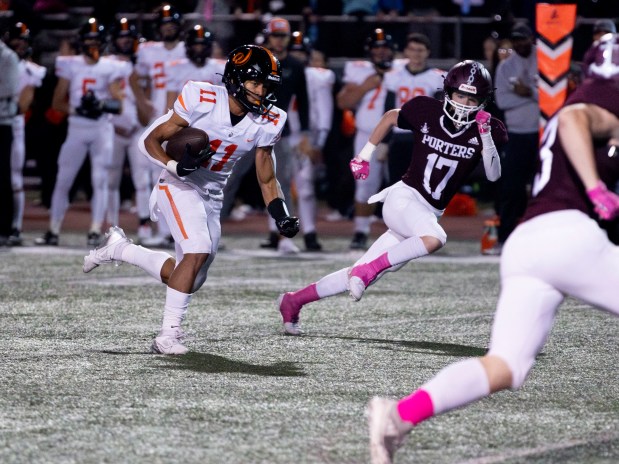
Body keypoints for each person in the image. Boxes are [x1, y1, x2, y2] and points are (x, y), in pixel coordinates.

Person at [365, 33, 619, 464]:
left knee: (505, 367)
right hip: (567, 233)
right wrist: (596, 188)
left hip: (527, 243)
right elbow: (576, 118)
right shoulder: (601, 98)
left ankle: (397, 415)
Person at [83, 44, 299, 355]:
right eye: (255, 83)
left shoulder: (271, 118)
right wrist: (174, 166)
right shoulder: (202, 96)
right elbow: (150, 140)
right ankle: (168, 335)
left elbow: (266, 177)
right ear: (236, 80)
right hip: (177, 183)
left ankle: (120, 249)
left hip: (212, 193)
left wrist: (280, 214)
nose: (261, 91)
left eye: (266, 84)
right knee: (197, 248)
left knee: (189, 277)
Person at [278, 60, 506, 336]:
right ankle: (367, 271)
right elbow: (389, 117)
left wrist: (485, 137)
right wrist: (363, 155)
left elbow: (493, 176)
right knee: (435, 239)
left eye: (472, 98)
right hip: (404, 199)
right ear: (448, 91)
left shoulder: (488, 129)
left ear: (482, 101)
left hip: (427, 212)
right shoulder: (426, 110)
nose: (464, 103)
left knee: (360, 272)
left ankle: (293, 301)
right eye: (460, 95)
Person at [35, 18, 125, 246]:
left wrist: (101, 106)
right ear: (81, 42)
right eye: (89, 40)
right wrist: (78, 107)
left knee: (99, 180)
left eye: (97, 40)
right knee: (63, 180)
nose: (93, 44)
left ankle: (95, 230)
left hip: (100, 128)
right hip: (77, 127)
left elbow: (119, 103)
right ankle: (53, 229)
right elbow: (56, 101)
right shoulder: (71, 64)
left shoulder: (111, 66)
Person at [129, 3, 186, 247]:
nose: (168, 29)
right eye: (164, 25)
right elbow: (135, 78)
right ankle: (158, 227)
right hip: (157, 116)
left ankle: (176, 228)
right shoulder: (147, 50)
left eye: (171, 24)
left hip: (184, 117)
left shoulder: (188, 49)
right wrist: (143, 103)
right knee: (153, 173)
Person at [337, 28, 398, 250]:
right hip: (367, 136)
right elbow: (343, 103)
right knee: (364, 186)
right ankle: (361, 231)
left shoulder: (403, 69)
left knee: (406, 187)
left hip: (399, 136)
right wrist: (365, 87)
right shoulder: (358, 70)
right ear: (369, 51)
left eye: (385, 48)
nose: (381, 53)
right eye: (377, 48)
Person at [491, 22, 539, 255]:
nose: (520, 43)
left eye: (524, 38)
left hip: (543, 132)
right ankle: (505, 239)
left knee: (544, 187)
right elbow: (502, 102)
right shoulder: (505, 67)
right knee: (511, 188)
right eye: (516, 39)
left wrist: (528, 92)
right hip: (518, 134)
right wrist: (534, 96)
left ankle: (545, 240)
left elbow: (556, 98)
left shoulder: (547, 60)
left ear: (532, 37)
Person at [285, 30, 336, 251]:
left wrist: (319, 143)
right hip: (280, 135)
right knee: (278, 186)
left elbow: (325, 111)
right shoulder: (279, 72)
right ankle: (278, 233)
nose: (297, 56)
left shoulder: (316, 76)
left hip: (305, 137)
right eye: (293, 51)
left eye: (300, 52)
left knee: (305, 187)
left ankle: (310, 232)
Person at [105, 17, 150, 236]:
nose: (124, 42)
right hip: (111, 128)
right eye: (121, 38)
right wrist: (112, 122)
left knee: (142, 179)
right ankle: (111, 225)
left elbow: (147, 96)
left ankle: (144, 223)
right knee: (110, 179)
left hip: (137, 130)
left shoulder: (142, 64)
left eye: (128, 38)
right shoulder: (107, 64)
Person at [383, 32, 445, 186]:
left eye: (420, 50)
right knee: (396, 185)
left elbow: (440, 112)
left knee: (422, 187)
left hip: (424, 139)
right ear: (406, 51)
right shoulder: (393, 75)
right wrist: (384, 140)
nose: (416, 54)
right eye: (412, 49)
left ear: (427, 52)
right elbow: (388, 108)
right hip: (399, 136)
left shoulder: (437, 77)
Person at [5, 22, 46, 246]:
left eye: (23, 40)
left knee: (14, 178)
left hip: (14, 125)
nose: (20, 44)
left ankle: (15, 226)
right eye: (16, 40)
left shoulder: (31, 69)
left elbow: (23, 104)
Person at [164, 24, 225, 111]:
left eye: (202, 45)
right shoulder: (176, 68)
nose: (199, 49)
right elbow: (169, 107)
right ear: (188, 46)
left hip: (212, 117)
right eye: (195, 45)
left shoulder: (220, 68)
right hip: (184, 118)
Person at [0, 36, 19, 247]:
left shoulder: (8, 57)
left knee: (3, 176)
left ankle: (5, 229)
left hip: (2, 123)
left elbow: (9, 88)